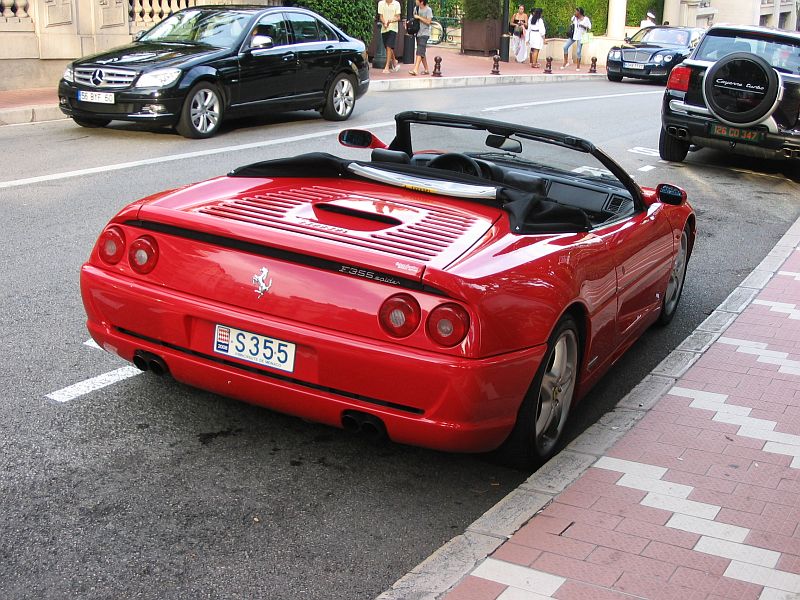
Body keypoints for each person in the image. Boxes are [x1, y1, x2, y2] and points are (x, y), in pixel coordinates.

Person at [408, 0, 433, 75]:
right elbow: (414, 19)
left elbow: (429, 22)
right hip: (418, 32)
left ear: (421, 2)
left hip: (425, 33)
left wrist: (419, 17)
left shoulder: (428, 10)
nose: (415, 1)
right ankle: (426, 69)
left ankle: (415, 69)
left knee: (419, 50)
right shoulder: (416, 8)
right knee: (421, 51)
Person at [378, 0, 402, 74]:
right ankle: (394, 61)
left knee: (389, 46)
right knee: (388, 47)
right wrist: (384, 23)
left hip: (393, 28)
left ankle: (387, 67)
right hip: (384, 28)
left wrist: (391, 20)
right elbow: (381, 16)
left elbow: (398, 17)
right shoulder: (381, 3)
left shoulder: (396, 4)